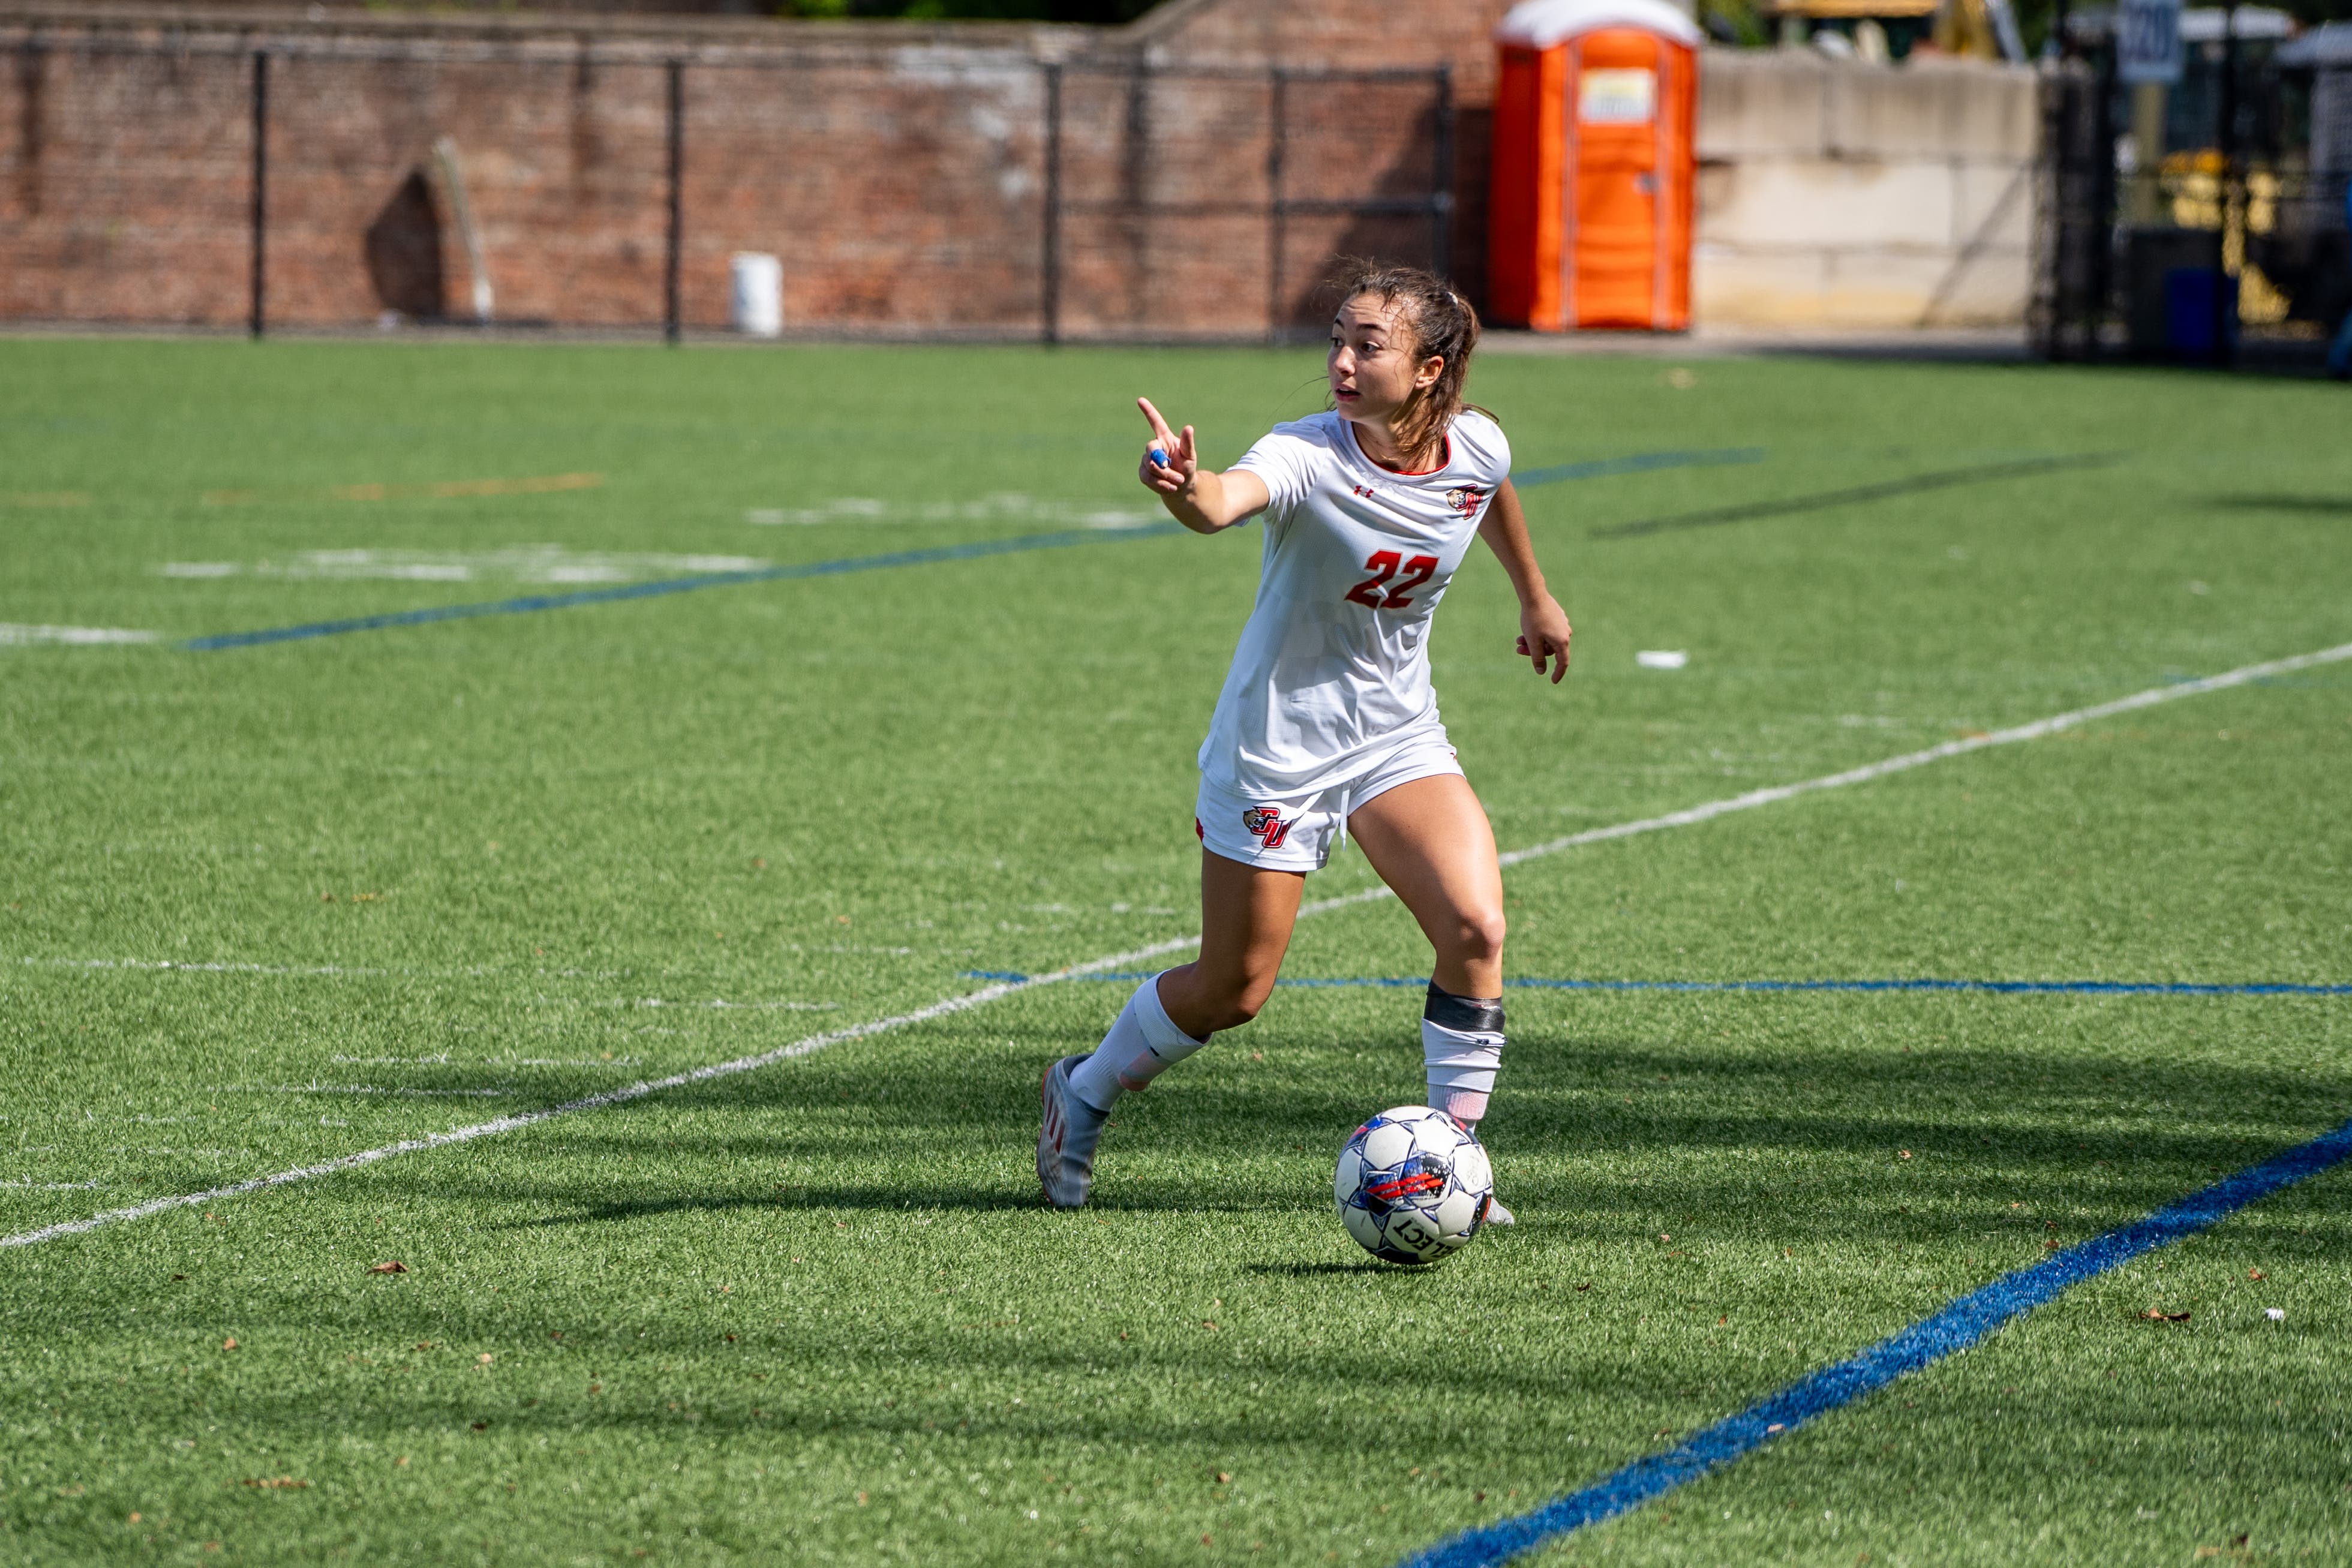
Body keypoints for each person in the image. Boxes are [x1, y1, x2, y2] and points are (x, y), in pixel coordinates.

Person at [1036, 261, 1575, 1218]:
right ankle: (1081, 1091)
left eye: (1367, 344)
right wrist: (1178, 482)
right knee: (1234, 989)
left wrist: (1534, 596)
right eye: (1337, 337)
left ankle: (1452, 1161)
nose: (1339, 360)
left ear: (1427, 370)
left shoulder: (1475, 447)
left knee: (1475, 927)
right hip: (1275, 746)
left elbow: (1488, 493)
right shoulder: (1304, 454)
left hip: (1395, 734)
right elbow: (1218, 503)